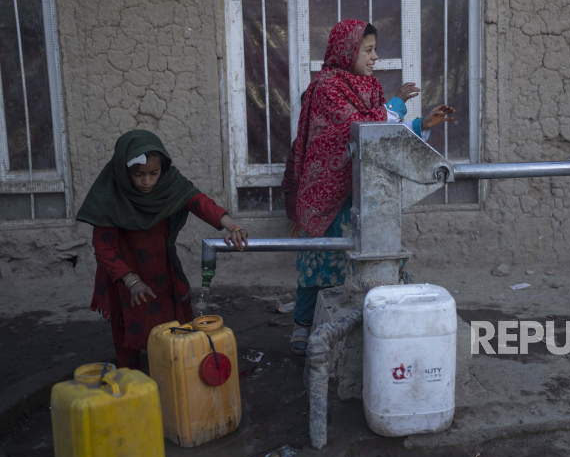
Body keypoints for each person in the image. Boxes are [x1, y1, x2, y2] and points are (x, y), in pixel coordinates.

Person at [289, 19, 457, 354]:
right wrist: (395, 105)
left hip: (365, 187)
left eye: (375, 49)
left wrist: (422, 123)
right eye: (368, 49)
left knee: (372, 252)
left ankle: (374, 321)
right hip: (328, 191)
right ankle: (302, 325)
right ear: (347, 50)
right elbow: (357, 128)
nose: (375, 56)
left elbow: (382, 134)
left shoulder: (370, 88)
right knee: (320, 256)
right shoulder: (327, 86)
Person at [77, 130, 249, 369]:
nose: (147, 181)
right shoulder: (110, 195)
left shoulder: (169, 181)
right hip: (123, 274)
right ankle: (132, 383)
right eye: (138, 175)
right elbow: (104, 249)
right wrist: (131, 281)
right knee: (128, 329)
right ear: (124, 172)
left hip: (162, 268)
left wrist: (232, 225)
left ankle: (180, 375)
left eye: (153, 174)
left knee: (176, 324)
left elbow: (197, 201)